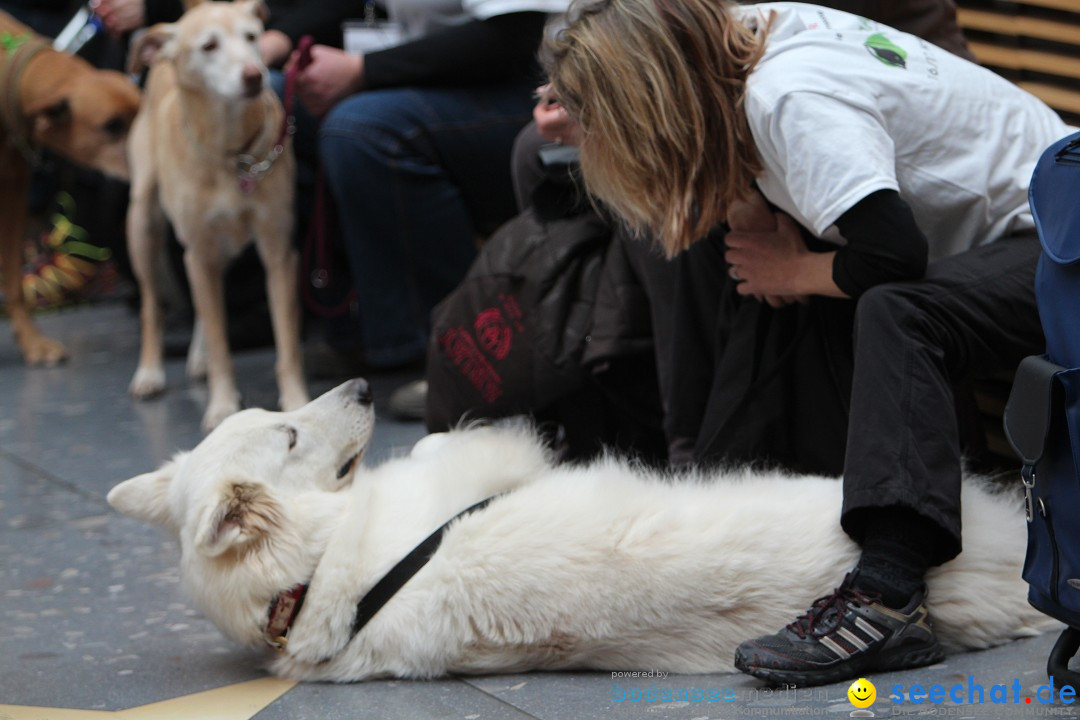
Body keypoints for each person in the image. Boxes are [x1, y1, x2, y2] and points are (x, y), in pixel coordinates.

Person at [545, 0, 1075, 686]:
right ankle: (734, 519)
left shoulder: (790, 95)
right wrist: (770, 244)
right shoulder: (747, 38)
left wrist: (793, 268)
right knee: (762, 268)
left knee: (895, 308)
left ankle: (888, 597)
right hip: (1015, 237)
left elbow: (892, 253)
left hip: (1061, 240)